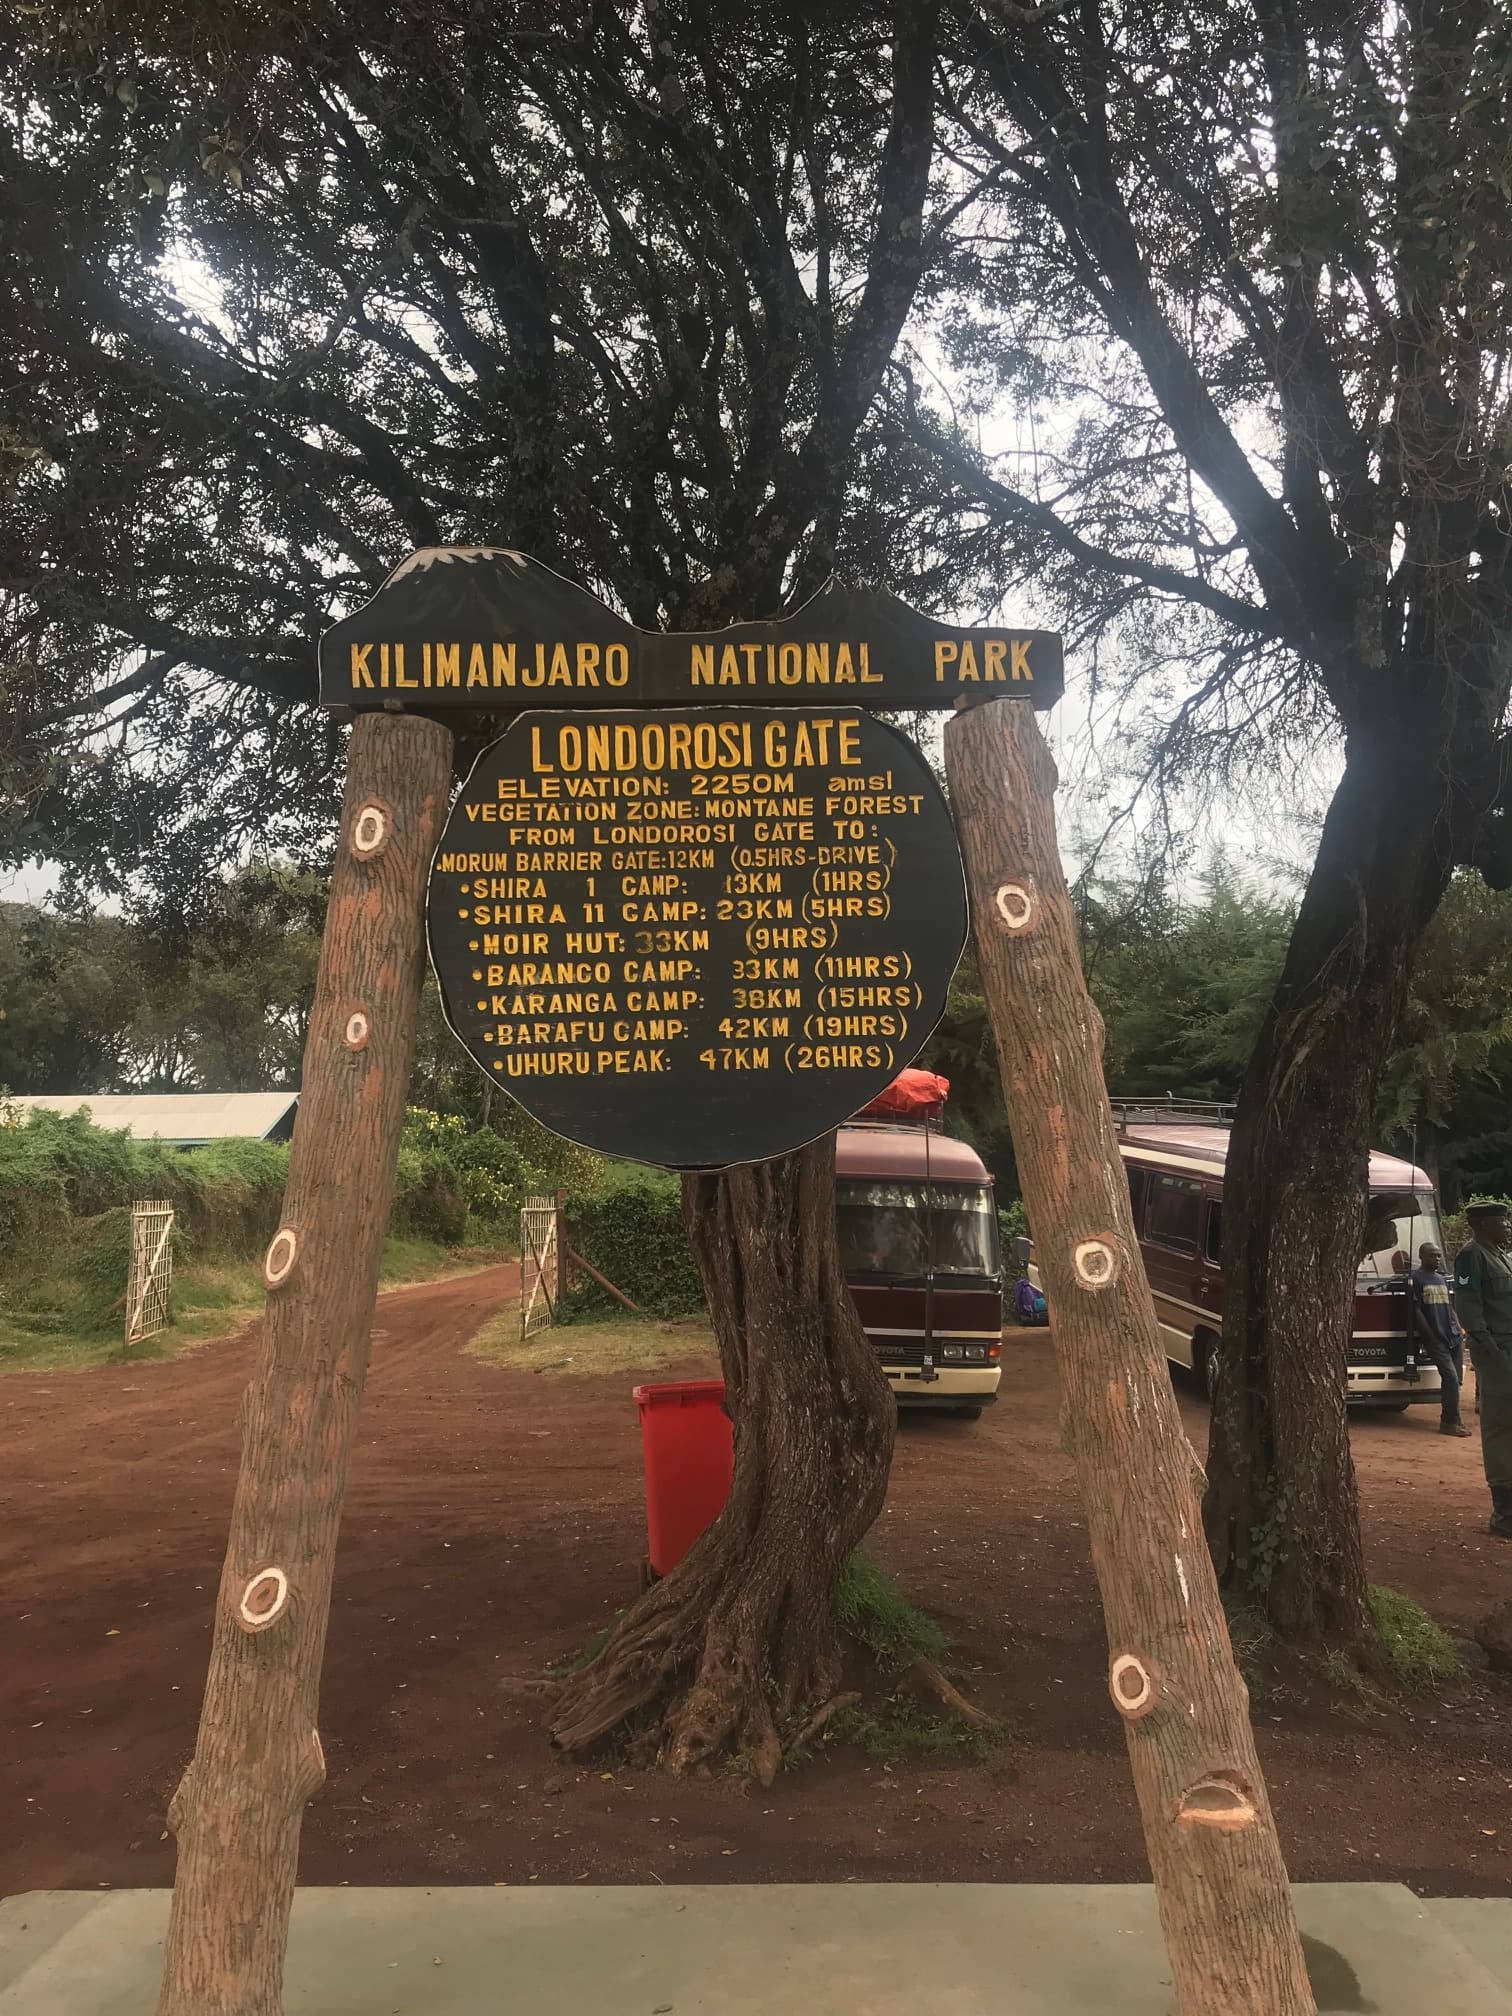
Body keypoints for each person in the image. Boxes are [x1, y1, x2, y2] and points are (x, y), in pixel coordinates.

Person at [1453, 1198, 1512, 1538]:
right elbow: (1469, 1308)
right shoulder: (1471, 1255)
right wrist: (1491, 1351)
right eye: (1500, 1221)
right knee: (1501, 1426)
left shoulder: (1501, 1255)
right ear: (1482, 1224)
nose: (1507, 1226)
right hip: (1498, 1354)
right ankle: (1504, 1513)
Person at [1409, 1243, 1471, 1436]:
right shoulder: (1415, 1278)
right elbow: (1415, 1310)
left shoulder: (1441, 1279)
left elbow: (1449, 1306)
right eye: (1432, 1256)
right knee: (1450, 1378)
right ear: (1421, 1256)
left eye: (1438, 1255)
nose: (1436, 1259)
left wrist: (1459, 1327)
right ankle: (1449, 1422)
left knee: (1456, 1380)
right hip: (1435, 1338)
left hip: (1453, 1335)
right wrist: (1429, 1335)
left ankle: (1453, 1420)